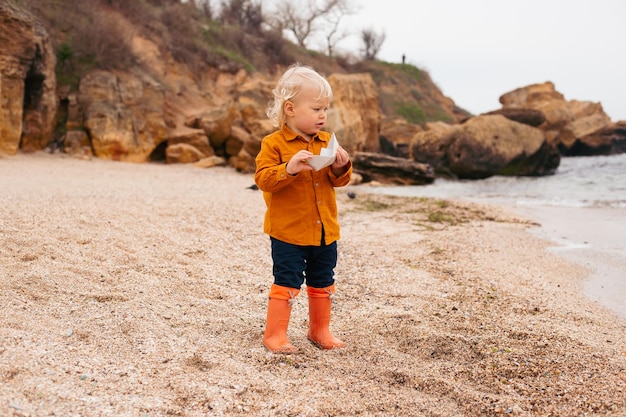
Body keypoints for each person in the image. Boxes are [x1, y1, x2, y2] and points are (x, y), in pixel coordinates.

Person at [254, 63, 352, 354]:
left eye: (326, 109)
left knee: (323, 280)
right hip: (288, 232)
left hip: (325, 230)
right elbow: (263, 179)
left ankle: (319, 330)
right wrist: (289, 168)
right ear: (291, 108)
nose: (323, 116)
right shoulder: (273, 144)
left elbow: (339, 181)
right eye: (316, 109)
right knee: (287, 280)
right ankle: (275, 335)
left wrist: (342, 165)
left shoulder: (326, 141)